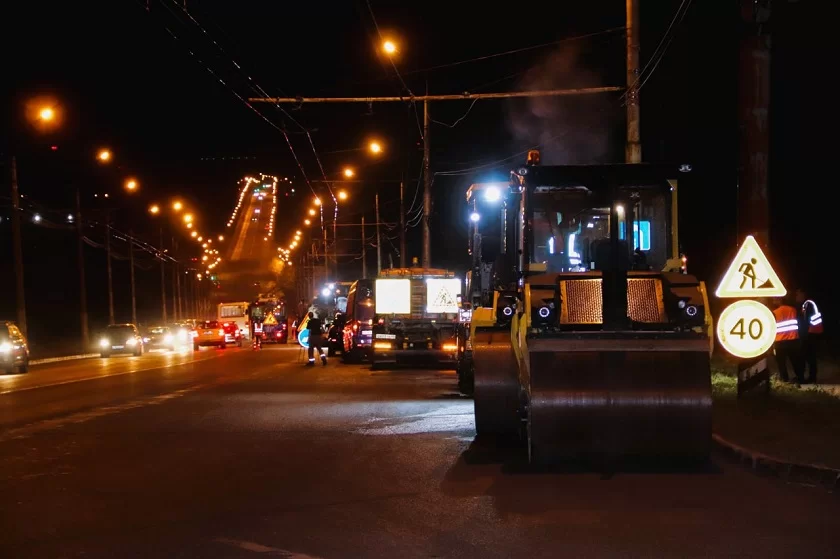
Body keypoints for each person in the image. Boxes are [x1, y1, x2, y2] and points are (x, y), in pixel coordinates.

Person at [771, 297, 803, 384]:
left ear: (779, 300)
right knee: (795, 361)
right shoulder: (793, 310)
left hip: (779, 342)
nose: (773, 301)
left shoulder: (774, 313)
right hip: (793, 340)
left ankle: (784, 379)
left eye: (774, 300)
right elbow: (800, 322)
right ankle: (800, 378)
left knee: (781, 363)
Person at [796, 288, 823, 384]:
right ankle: (810, 377)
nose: (796, 297)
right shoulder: (809, 303)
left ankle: (809, 378)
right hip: (812, 334)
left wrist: (803, 334)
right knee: (809, 357)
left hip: (809, 335)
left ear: (803, 294)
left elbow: (806, 321)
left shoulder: (808, 304)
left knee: (807, 356)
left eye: (798, 294)